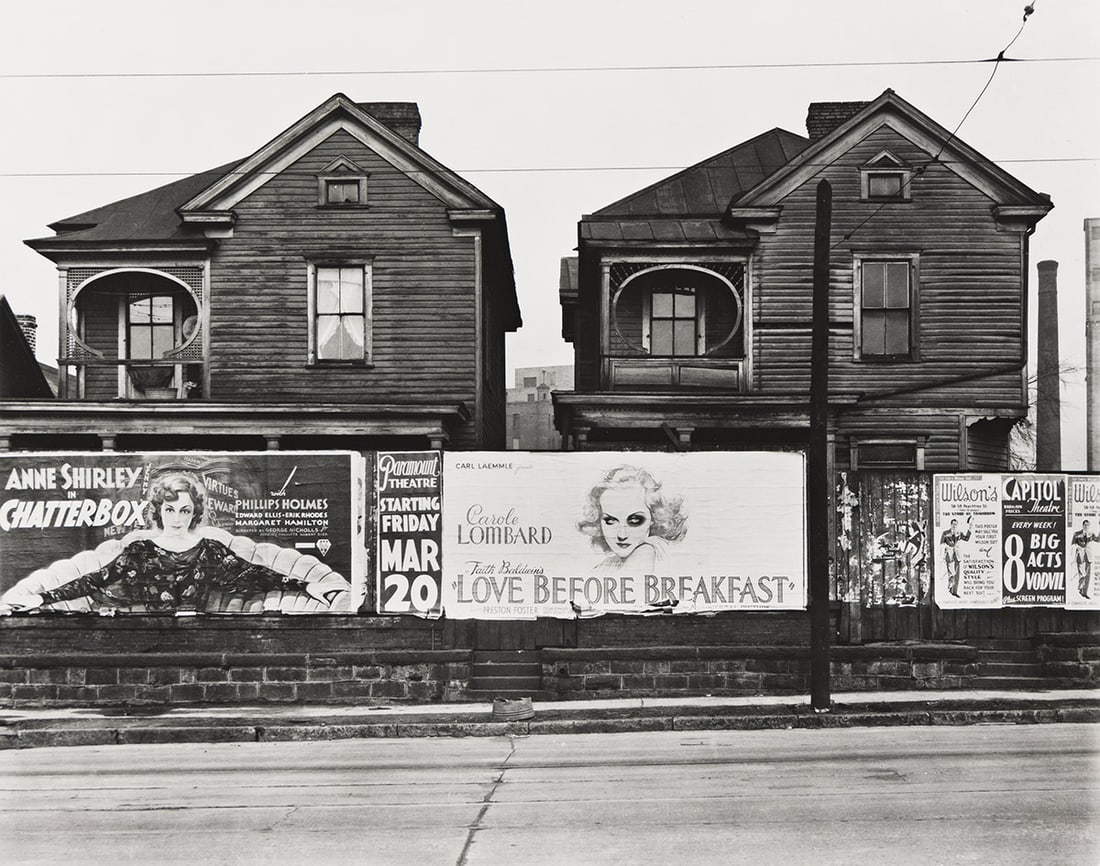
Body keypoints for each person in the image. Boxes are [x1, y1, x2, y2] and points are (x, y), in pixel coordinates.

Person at [0, 473, 346, 614]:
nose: (177, 518)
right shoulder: (140, 551)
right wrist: (41, 598)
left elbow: (256, 574)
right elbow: (95, 580)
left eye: (184, 510)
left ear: (194, 512)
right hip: (146, 637)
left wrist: (308, 586)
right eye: (169, 509)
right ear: (159, 511)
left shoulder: (210, 550)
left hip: (197, 637)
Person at [577, 465, 687, 572]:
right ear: (598, 521)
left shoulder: (646, 551)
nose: (622, 535)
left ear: (654, 519)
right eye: (610, 521)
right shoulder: (608, 565)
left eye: (635, 521)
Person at [940, 516, 972, 598]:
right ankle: (950, 588)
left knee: (957, 575)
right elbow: (941, 544)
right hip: (949, 556)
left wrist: (970, 528)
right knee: (951, 573)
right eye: (953, 524)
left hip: (957, 556)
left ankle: (955, 591)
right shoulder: (945, 533)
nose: (954, 526)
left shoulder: (959, 533)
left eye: (956, 524)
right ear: (950, 525)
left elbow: (966, 539)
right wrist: (945, 551)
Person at [1071, 519, 1100, 599]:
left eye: (1088, 525)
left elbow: (1098, 540)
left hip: (1088, 556)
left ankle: (1085, 592)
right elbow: (1072, 544)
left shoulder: (1091, 533)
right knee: (1082, 574)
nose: (1086, 526)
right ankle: (1080, 588)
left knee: (1088, 575)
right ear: (1082, 525)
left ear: (1089, 526)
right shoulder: (1076, 534)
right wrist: (1077, 548)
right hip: (1080, 556)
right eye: (1085, 525)